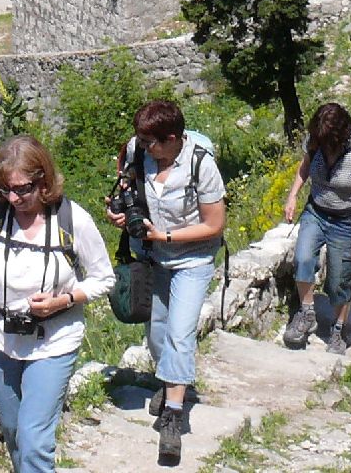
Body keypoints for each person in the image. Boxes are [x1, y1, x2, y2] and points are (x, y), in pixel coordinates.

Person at [0, 135, 114, 473]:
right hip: (2, 342)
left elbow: (105, 278)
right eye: (5, 190)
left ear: (43, 180)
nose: (13, 198)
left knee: (34, 440)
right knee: (15, 435)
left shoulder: (72, 220)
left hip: (54, 343)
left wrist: (64, 301)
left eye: (22, 189)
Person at [108, 99, 227, 466]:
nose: (144, 149)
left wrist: (167, 236)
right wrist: (120, 212)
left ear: (172, 138)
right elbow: (123, 180)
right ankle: (171, 381)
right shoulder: (136, 149)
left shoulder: (200, 163)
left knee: (179, 332)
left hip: (193, 258)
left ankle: (173, 416)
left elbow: (214, 224)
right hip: (153, 259)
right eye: (141, 141)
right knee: (157, 332)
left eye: (151, 143)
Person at [281, 102, 351, 355]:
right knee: (303, 258)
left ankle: (338, 329)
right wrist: (293, 195)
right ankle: (307, 314)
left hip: (349, 221)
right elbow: (304, 167)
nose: (324, 145)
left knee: (338, 280)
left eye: (329, 141)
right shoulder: (315, 140)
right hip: (317, 212)